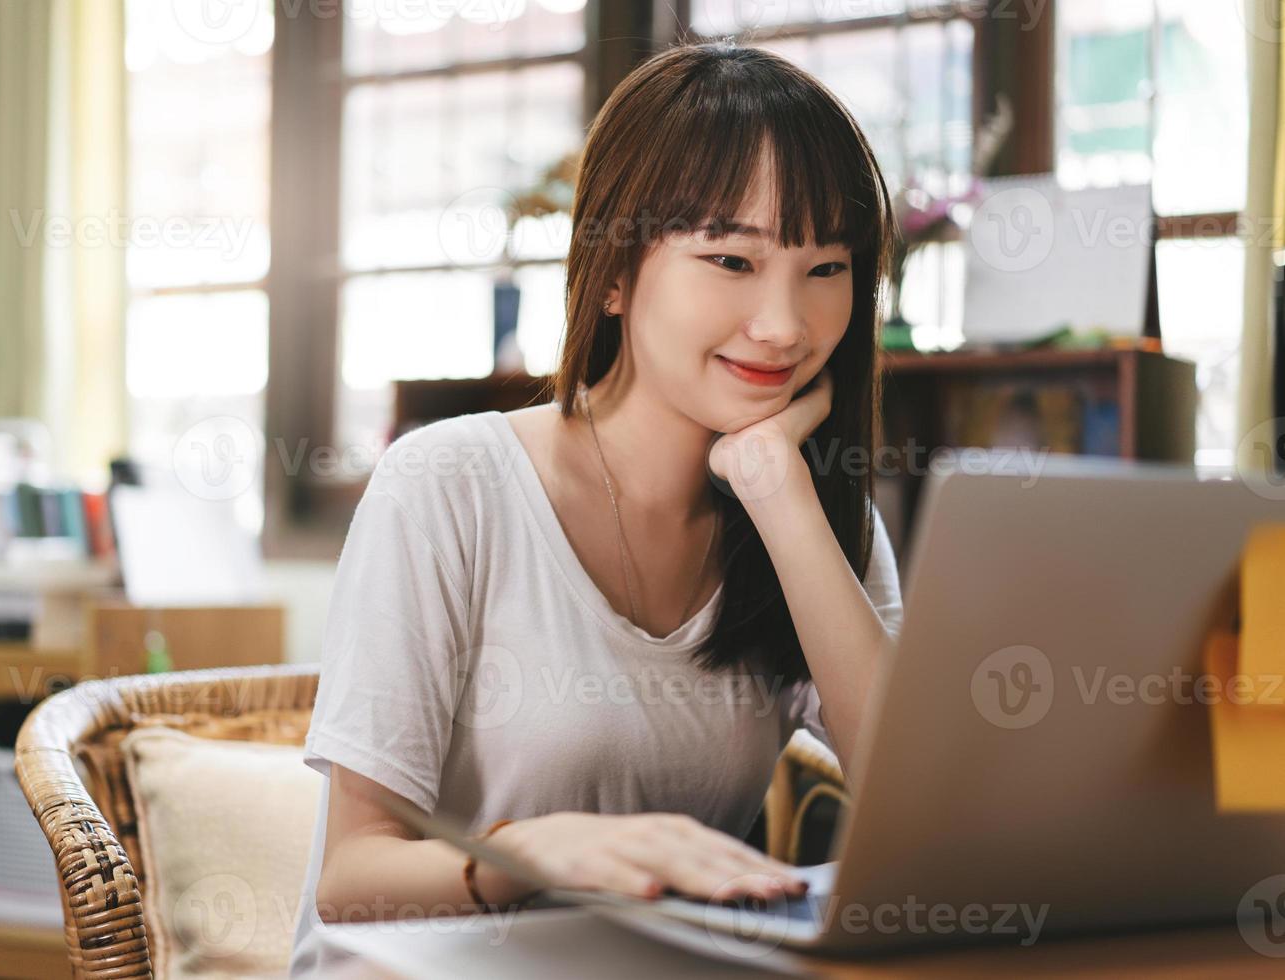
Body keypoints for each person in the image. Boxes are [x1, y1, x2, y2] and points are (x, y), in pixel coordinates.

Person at [289, 40, 903, 976]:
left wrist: (778, 494)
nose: (785, 325)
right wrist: (527, 858)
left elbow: (913, 796)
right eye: (732, 260)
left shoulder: (816, 516)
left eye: (826, 269)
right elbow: (351, 881)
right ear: (613, 275)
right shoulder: (447, 486)